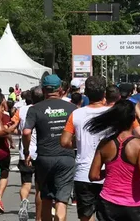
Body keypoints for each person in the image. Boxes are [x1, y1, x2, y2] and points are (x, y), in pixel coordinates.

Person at [86, 99, 140, 221]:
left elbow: (93, 175)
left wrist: (111, 171)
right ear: (133, 120)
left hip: (108, 202)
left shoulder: (105, 143)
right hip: (134, 203)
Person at [23, 74, 77, 221]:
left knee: (46, 198)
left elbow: (26, 132)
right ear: (60, 89)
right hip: (66, 157)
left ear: (43, 90)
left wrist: (27, 151)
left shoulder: (35, 109)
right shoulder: (72, 108)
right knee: (61, 200)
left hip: (44, 158)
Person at [59, 76, 109, 221]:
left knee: (86, 217)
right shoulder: (113, 114)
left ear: (85, 92)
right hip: (108, 172)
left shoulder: (76, 114)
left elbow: (64, 141)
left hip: (83, 173)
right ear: (104, 93)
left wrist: (78, 143)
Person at [17, 86, 42, 221]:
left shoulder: (21, 110)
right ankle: (38, 216)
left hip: (24, 151)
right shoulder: (44, 109)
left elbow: (15, 126)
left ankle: (24, 202)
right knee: (39, 187)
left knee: (26, 183)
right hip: (40, 151)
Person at [0, 92, 16, 214]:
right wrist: (11, 140)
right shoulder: (4, 115)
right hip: (3, 151)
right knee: (4, 174)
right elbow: (6, 131)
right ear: (2, 102)